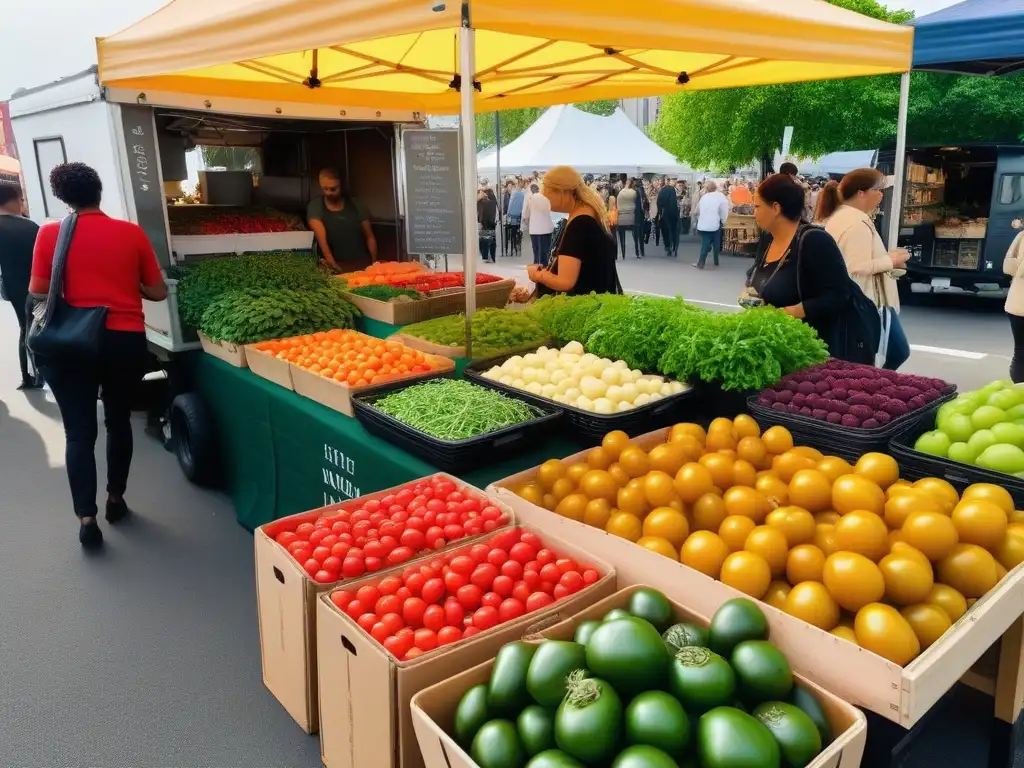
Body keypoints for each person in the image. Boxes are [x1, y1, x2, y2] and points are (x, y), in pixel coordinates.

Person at [28, 162, 168, 549]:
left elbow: (38, 291)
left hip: (68, 344)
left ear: (62, 196)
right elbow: (158, 293)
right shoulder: (130, 233)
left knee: (79, 432)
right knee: (119, 420)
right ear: (98, 191)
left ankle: (86, 519)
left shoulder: (50, 233)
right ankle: (116, 500)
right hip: (123, 341)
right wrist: (124, 285)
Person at [747, 173, 853, 356]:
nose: (753, 212)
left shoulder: (815, 241)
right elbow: (763, 276)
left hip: (809, 352)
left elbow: (838, 295)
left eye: (757, 206)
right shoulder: (767, 238)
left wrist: (789, 312)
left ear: (775, 208)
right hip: (771, 346)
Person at [816, 169, 911, 370]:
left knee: (866, 358)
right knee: (895, 352)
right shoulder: (856, 223)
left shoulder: (843, 217)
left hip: (858, 303)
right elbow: (855, 267)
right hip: (866, 303)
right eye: (878, 189)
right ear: (861, 193)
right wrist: (890, 261)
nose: (882, 194)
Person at [527, 165, 620, 296]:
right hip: (598, 300)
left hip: (584, 305)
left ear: (562, 191)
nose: (544, 196)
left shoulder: (579, 224)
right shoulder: (589, 212)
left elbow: (565, 282)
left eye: (546, 191)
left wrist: (537, 274)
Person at [0, 184, 41, 389]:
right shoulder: (31, 226)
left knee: (25, 327)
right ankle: (36, 374)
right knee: (33, 326)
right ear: (14, 200)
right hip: (36, 286)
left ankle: (30, 377)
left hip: (12, 286)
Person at [307, 168, 377, 272]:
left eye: (333, 189)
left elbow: (370, 237)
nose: (329, 193)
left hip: (361, 263)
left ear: (341, 186)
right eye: (325, 189)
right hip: (335, 265)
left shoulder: (356, 204)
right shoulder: (316, 207)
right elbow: (323, 243)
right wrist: (334, 267)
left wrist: (374, 264)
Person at [1003, 224, 1024, 382]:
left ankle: (1019, 393)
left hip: (1017, 305)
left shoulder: (1022, 236)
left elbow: (1009, 266)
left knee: (1021, 353)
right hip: (1018, 306)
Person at [694, 180, 729, 269]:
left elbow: (697, 210)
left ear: (707, 189)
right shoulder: (721, 197)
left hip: (703, 224)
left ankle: (701, 262)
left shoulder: (704, 197)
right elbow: (724, 210)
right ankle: (715, 260)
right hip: (714, 224)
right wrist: (723, 220)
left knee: (705, 241)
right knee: (715, 241)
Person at [522, 182, 554, 265]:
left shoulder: (530, 199)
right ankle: (545, 267)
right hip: (547, 228)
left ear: (531, 190)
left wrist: (526, 220)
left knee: (536, 250)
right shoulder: (546, 197)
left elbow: (525, 214)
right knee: (545, 250)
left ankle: (536, 267)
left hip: (535, 229)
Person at [616, 180, 642, 259]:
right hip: (632, 217)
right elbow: (638, 206)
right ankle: (637, 252)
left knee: (622, 237)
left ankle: (623, 254)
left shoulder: (620, 193)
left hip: (621, 219)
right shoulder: (634, 192)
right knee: (636, 236)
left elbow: (617, 205)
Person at [657, 181, 681, 257]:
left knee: (665, 232)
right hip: (673, 214)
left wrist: (660, 213)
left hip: (664, 214)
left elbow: (658, 203)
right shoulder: (672, 190)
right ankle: (675, 246)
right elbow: (673, 202)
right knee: (674, 231)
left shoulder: (661, 191)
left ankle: (668, 247)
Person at [477, 187, 498, 263]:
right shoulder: (492, 202)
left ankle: (487, 256)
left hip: (485, 223)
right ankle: (491, 256)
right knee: (491, 240)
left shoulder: (483, 203)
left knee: (485, 240)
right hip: (491, 223)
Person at [505, 181, 526, 257]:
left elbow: (510, 206)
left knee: (513, 233)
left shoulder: (513, 194)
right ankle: (518, 245)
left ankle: (514, 248)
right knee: (519, 231)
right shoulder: (523, 194)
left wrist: (508, 214)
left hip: (513, 216)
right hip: (520, 216)